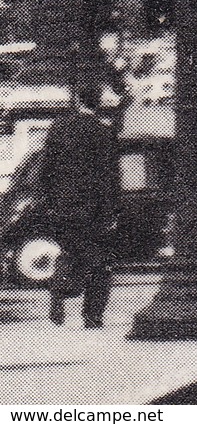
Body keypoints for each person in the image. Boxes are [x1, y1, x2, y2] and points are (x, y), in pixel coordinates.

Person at [38, 84, 120, 329]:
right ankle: (92, 315)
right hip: (92, 210)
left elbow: (46, 171)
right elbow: (109, 176)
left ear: (76, 99)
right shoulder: (103, 133)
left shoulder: (58, 129)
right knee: (100, 261)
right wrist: (111, 210)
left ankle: (58, 289)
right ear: (98, 103)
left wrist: (49, 203)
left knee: (70, 252)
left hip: (62, 208)